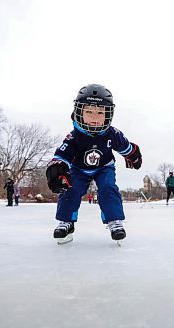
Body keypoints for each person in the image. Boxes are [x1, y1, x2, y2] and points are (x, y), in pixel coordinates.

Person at [46, 84, 142, 242]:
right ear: (79, 112)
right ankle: (66, 221)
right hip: (79, 169)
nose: (95, 117)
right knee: (70, 189)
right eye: (89, 111)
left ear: (108, 114)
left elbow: (126, 146)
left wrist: (133, 154)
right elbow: (62, 155)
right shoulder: (74, 137)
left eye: (100, 112)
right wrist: (57, 168)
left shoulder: (113, 134)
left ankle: (114, 220)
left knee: (108, 188)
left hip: (104, 167)